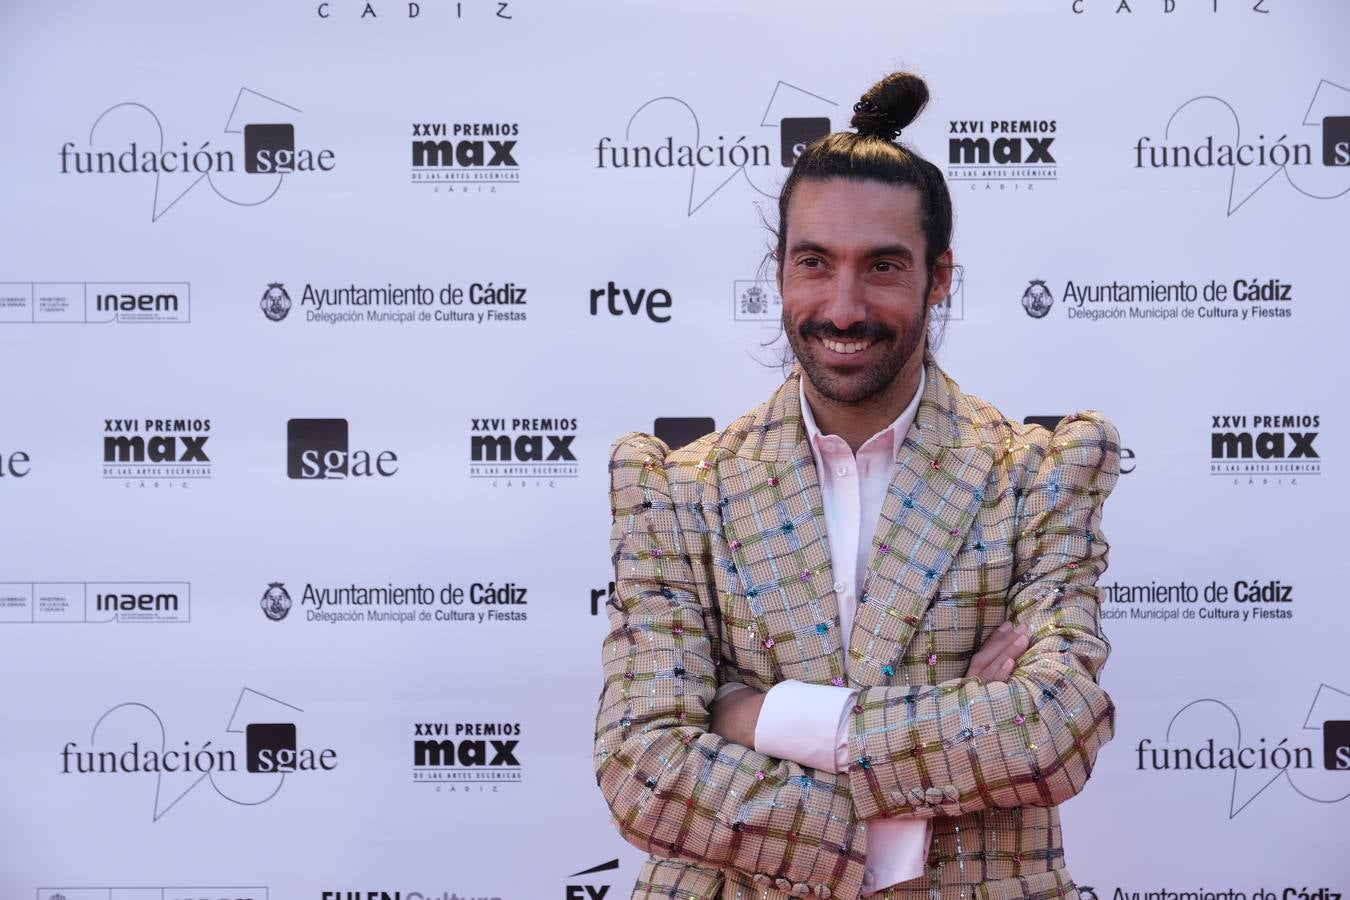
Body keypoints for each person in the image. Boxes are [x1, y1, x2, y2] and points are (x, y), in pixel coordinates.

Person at [594, 71, 1120, 900]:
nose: (842, 307)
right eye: (815, 263)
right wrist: (937, 748)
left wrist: (760, 719)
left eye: (881, 267)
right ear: (780, 271)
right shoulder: (673, 488)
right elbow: (643, 769)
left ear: (937, 278)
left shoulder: (1040, 474)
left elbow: (1052, 730)